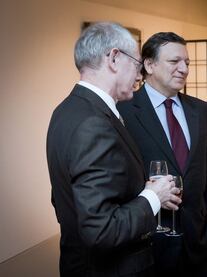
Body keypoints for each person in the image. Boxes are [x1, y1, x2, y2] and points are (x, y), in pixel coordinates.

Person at [46, 22, 182, 277]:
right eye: (137, 63)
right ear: (114, 58)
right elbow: (102, 229)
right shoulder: (93, 123)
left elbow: (66, 197)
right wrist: (154, 196)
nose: (140, 75)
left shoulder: (66, 110)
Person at [118, 32, 207, 277]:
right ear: (149, 65)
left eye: (187, 62)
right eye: (175, 62)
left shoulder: (200, 109)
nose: (184, 69)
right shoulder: (123, 111)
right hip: (150, 241)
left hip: (200, 239)